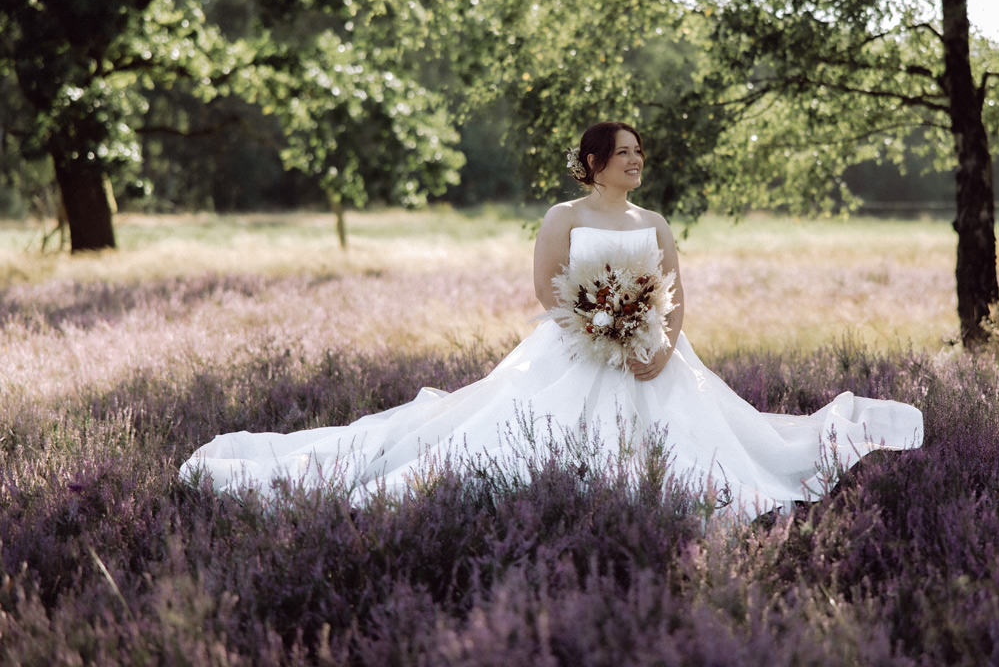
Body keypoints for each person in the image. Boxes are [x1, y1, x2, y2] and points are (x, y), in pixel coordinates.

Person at [180, 121, 923, 519]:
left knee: (717, 446)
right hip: (575, 346)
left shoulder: (655, 221)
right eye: (623, 153)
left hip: (653, 352)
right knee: (505, 438)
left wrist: (657, 345)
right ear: (594, 162)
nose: (635, 161)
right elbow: (546, 288)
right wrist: (600, 324)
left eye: (639, 153)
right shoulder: (564, 216)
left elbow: (675, 292)